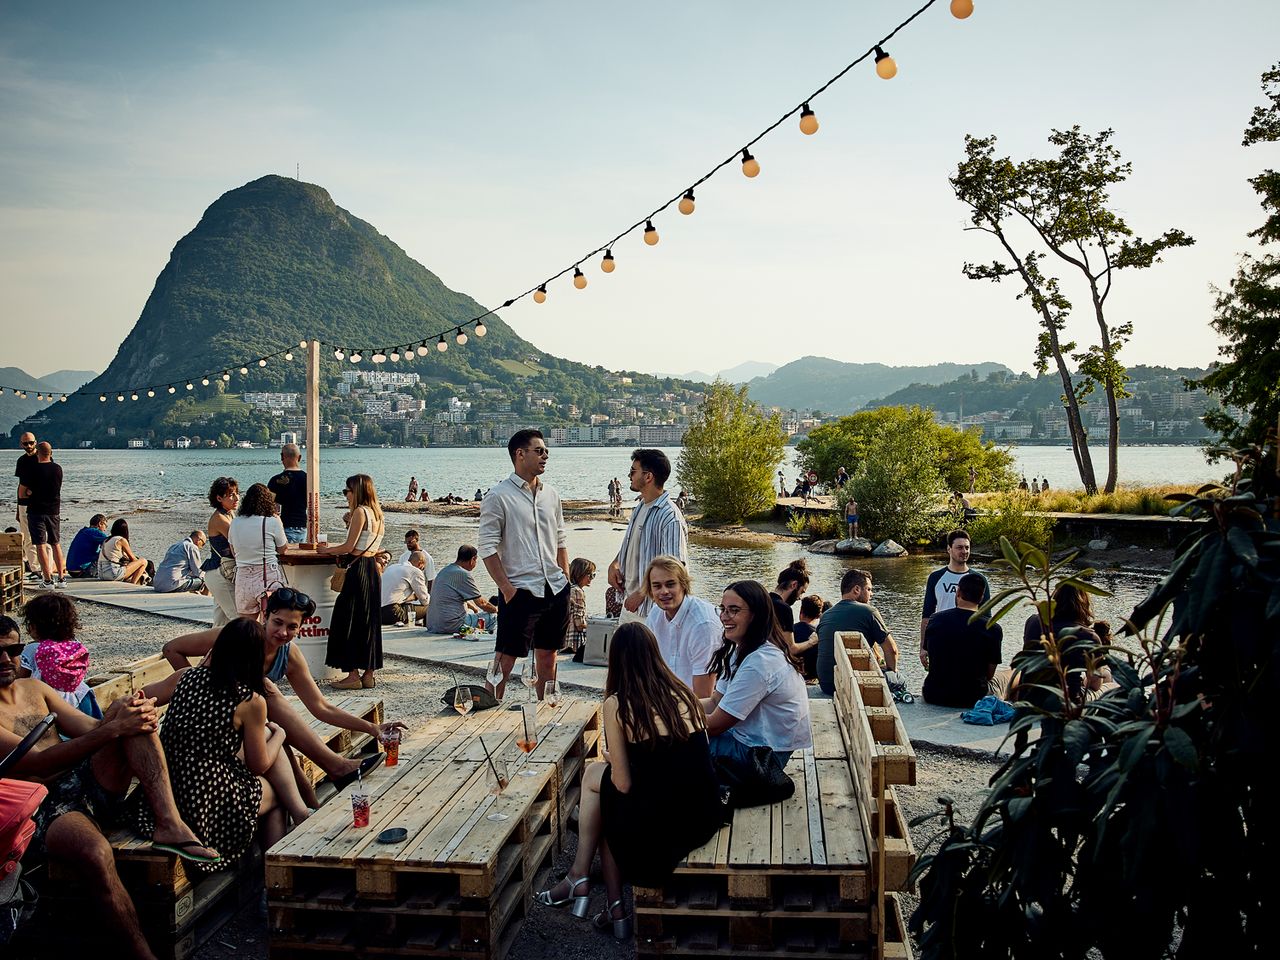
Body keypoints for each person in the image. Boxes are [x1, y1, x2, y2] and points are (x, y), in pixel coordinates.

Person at [0, 635, 220, 959]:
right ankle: (142, 954)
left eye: (13, 650)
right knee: (95, 852)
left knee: (125, 709)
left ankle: (168, 822)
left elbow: (89, 726)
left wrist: (131, 715)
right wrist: (113, 729)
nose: (6, 659)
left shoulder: (34, 689)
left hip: (81, 780)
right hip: (39, 806)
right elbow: (34, 762)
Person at [534, 622, 721, 940]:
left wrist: (614, 760)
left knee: (603, 796)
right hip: (701, 814)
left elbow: (622, 784)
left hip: (668, 825)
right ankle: (589, 888)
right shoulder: (684, 694)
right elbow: (668, 759)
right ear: (655, 654)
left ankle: (594, 891)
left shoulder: (618, 705)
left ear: (616, 659)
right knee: (599, 783)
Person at [159, 589, 402, 786]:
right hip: (209, 723)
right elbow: (172, 648)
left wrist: (372, 728)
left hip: (246, 721)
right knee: (268, 695)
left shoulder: (288, 654)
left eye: (292, 627)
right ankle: (334, 769)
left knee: (269, 705)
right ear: (265, 615)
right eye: (277, 622)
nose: (283, 632)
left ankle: (315, 797)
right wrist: (196, 685)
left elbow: (320, 706)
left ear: (301, 627)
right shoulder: (236, 636)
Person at [131, 618, 310, 874]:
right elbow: (259, 764)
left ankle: (270, 868)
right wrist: (280, 734)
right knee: (274, 795)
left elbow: (143, 695)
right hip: (208, 801)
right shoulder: (249, 700)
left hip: (168, 790)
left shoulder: (185, 677)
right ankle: (273, 878)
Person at [479, 429, 570, 700]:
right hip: (520, 590)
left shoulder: (551, 494)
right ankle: (487, 712)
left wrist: (566, 577)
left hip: (555, 588)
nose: (545, 455)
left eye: (546, 451)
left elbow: (560, 538)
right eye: (539, 450)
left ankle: (546, 712)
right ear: (520, 454)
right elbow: (486, 547)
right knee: (503, 659)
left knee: (548, 657)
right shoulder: (498, 496)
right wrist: (506, 589)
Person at [702, 580, 811, 768]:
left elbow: (714, 725)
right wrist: (670, 705)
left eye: (733, 610)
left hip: (763, 757)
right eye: (723, 609)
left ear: (755, 616)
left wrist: (664, 721)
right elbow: (714, 701)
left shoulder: (760, 663)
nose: (724, 617)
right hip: (752, 744)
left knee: (667, 745)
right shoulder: (744, 650)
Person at [320, 474, 385, 690]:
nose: (345, 495)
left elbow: (349, 547)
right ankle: (369, 673)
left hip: (357, 570)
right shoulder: (377, 514)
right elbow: (366, 542)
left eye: (346, 491)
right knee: (369, 621)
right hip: (371, 570)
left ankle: (352, 675)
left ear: (356, 491)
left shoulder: (359, 511)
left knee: (347, 619)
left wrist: (326, 549)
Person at [608, 449, 688, 621]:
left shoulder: (669, 517)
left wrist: (641, 593)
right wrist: (615, 564)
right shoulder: (640, 508)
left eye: (633, 471)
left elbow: (675, 568)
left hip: (652, 611)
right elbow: (631, 545)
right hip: (629, 605)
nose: (629, 476)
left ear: (648, 477)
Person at [920, 573, 1003, 707]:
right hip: (973, 697)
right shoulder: (993, 628)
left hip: (934, 694)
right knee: (1008, 676)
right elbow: (989, 674)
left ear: (958, 592)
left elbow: (932, 657)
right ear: (982, 597)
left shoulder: (935, 620)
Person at [643, 555, 718, 697]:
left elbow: (704, 696)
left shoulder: (703, 625)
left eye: (670, 584)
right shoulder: (655, 614)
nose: (664, 591)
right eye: (657, 586)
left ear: (683, 585)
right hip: (668, 701)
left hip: (701, 707)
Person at [816, 568, 899, 696]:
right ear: (856, 589)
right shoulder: (868, 611)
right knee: (898, 679)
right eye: (869, 589)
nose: (871, 594)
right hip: (856, 685)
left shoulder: (825, 616)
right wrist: (892, 673)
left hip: (827, 685)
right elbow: (892, 650)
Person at [920, 529, 990, 647]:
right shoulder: (936, 577)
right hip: (941, 640)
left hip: (970, 642)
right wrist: (923, 646)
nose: (964, 551)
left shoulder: (978, 579)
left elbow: (986, 616)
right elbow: (927, 615)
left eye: (967, 547)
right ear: (949, 549)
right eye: (959, 548)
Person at [228, 483, 289, 618]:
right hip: (268, 576)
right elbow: (283, 549)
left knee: (247, 627)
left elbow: (234, 552)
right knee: (271, 622)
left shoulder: (235, 522)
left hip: (243, 576)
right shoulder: (272, 521)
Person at [424, 545, 497, 634]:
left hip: (433, 625)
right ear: (472, 559)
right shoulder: (463, 574)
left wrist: (473, 608)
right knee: (493, 617)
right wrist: (496, 610)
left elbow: (454, 597)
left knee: (472, 612)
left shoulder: (444, 571)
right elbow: (481, 603)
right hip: (451, 626)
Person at [25, 441, 67, 587]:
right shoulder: (58, 469)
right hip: (54, 510)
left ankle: (48, 579)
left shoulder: (33, 469)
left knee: (40, 544)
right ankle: (62, 578)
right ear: (51, 453)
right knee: (55, 543)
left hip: (36, 510)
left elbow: (27, 491)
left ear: (38, 453)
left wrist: (32, 492)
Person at [201, 477, 240, 627]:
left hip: (219, 573)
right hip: (220, 574)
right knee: (238, 619)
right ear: (219, 498)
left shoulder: (229, 515)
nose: (236, 498)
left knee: (220, 624)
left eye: (237, 493)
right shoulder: (219, 519)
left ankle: (213, 650)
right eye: (231, 495)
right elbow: (238, 543)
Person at [267, 443, 308, 544]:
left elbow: (268, 505)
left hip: (283, 525)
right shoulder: (309, 479)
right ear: (300, 457)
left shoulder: (275, 480)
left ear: (282, 457)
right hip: (303, 524)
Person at [13, 431, 40, 577]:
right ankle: (35, 568)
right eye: (25, 443)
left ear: (35, 442)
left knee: (42, 537)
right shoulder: (21, 461)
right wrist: (17, 508)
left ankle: (44, 566)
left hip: (38, 504)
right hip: (23, 504)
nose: (28, 446)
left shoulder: (41, 458)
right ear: (21, 444)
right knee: (27, 537)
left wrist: (33, 492)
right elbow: (20, 485)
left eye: (31, 443)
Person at [380, 551, 432, 626]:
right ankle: (427, 633)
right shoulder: (415, 571)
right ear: (420, 563)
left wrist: (414, 597)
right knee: (430, 608)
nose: (421, 570)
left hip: (378, 613)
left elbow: (393, 596)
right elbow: (425, 601)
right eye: (422, 568)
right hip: (393, 612)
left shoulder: (392, 567)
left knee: (411, 607)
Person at [769, 559, 809, 647]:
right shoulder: (784, 609)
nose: (799, 598)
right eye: (801, 592)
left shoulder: (763, 600)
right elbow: (791, 649)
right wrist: (812, 641)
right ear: (794, 585)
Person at [96, 518, 149, 585]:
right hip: (112, 574)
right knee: (143, 561)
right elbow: (133, 559)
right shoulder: (121, 540)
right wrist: (143, 570)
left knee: (132, 565)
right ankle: (133, 584)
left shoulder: (106, 540)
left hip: (101, 574)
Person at [791, 594, 825, 682]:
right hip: (813, 678)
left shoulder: (789, 632)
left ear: (801, 610)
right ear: (818, 615)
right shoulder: (819, 636)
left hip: (792, 677)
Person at [65, 513, 110, 578]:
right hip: (83, 571)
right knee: (107, 554)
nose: (105, 529)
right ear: (100, 524)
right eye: (106, 526)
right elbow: (111, 543)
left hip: (71, 571)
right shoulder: (95, 532)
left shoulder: (83, 531)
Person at [566, 558, 595, 656]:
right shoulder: (578, 591)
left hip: (564, 639)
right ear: (581, 574)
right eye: (590, 575)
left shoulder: (568, 588)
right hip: (574, 641)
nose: (591, 578)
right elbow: (579, 622)